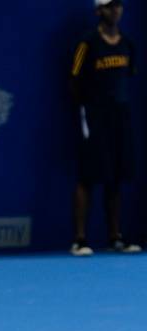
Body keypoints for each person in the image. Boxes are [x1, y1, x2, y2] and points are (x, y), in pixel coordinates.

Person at [69, 0, 141, 256]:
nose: (116, 10)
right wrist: (87, 108)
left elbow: (127, 77)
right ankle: (80, 239)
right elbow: (74, 78)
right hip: (93, 116)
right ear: (99, 11)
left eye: (119, 6)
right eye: (110, 6)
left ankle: (115, 237)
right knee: (88, 176)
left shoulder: (128, 44)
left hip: (120, 117)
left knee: (116, 176)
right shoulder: (87, 44)